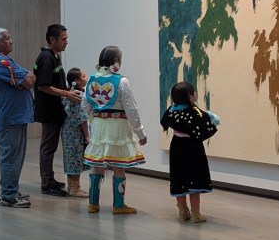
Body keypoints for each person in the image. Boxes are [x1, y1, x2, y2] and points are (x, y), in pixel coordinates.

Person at [82, 46, 147, 215]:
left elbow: (85, 105)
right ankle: (118, 205)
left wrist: (93, 119)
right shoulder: (122, 81)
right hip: (117, 126)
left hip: (98, 125)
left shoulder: (91, 80)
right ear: (116, 61)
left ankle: (93, 203)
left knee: (97, 164)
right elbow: (132, 110)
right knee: (118, 165)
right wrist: (140, 133)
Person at [0, 28, 36, 208]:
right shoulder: (0, 62)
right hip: (10, 116)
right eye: (7, 39)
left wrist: (26, 78)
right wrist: (27, 79)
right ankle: (8, 195)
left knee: (15, 156)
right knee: (10, 156)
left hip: (14, 116)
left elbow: (27, 78)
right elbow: (28, 81)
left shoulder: (1, 60)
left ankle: (11, 188)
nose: (11, 41)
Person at [33, 24, 83, 196]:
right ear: (52, 39)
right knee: (48, 147)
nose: (66, 42)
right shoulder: (46, 58)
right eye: (63, 39)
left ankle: (50, 179)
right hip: (49, 111)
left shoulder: (54, 56)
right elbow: (43, 86)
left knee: (51, 147)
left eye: (66, 39)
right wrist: (66, 94)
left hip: (56, 110)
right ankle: (46, 183)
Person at [160, 81, 220, 223]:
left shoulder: (171, 110)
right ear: (190, 97)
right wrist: (214, 121)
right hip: (193, 148)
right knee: (195, 180)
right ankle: (196, 214)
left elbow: (164, 122)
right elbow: (206, 127)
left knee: (179, 178)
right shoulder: (195, 112)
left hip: (176, 145)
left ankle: (182, 212)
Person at [60, 67, 90, 197]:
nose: (86, 77)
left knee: (70, 157)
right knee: (76, 158)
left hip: (67, 130)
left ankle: (71, 186)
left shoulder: (69, 93)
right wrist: (87, 135)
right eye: (83, 76)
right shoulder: (77, 96)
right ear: (77, 81)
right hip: (75, 132)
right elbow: (82, 118)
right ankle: (75, 188)